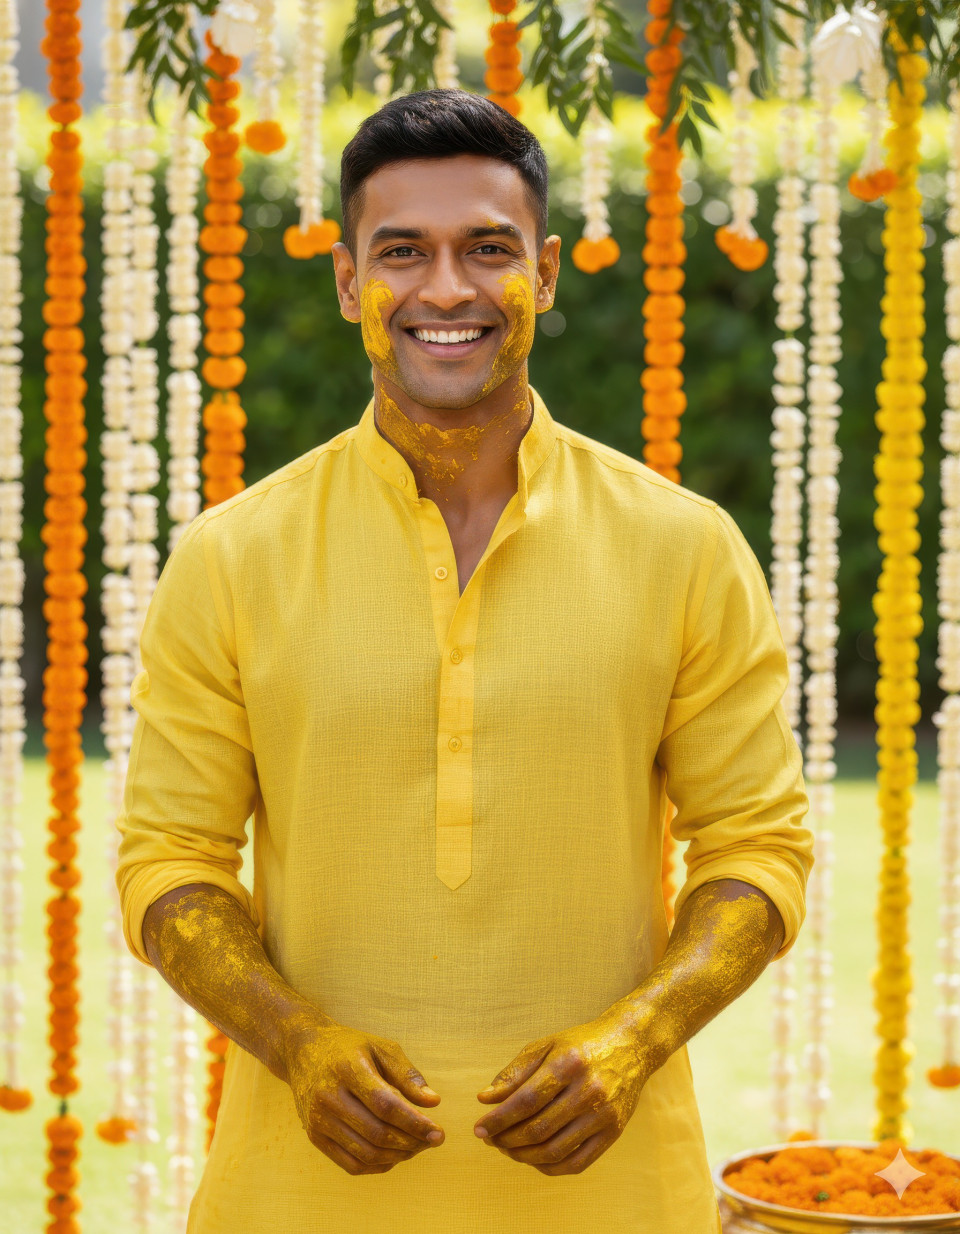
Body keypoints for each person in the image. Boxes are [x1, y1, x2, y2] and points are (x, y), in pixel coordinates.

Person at [115, 87, 815, 1234]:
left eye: (486, 250)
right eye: (404, 251)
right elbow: (168, 860)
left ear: (542, 274)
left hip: (618, 1200)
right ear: (350, 281)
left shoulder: (683, 546)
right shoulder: (233, 556)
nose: (446, 289)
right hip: (295, 1199)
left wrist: (638, 1035)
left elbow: (759, 846)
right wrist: (295, 1043)